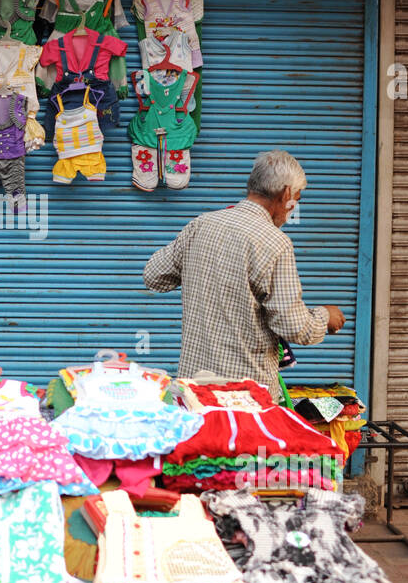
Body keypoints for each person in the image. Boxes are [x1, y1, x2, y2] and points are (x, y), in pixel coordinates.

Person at [143, 150, 345, 401]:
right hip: (243, 400)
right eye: (297, 199)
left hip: (192, 395)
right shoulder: (275, 243)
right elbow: (294, 327)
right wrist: (326, 317)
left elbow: (153, 275)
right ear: (285, 195)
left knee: (200, 442)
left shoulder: (201, 224)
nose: (294, 208)